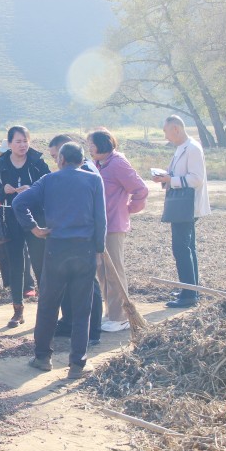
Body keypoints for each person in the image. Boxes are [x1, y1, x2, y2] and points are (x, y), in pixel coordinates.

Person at [12, 142, 106, 380]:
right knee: (82, 309)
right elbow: (100, 220)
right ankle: (77, 364)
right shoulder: (94, 181)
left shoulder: (48, 180)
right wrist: (99, 250)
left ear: (61, 159)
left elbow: (19, 202)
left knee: (48, 306)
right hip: (84, 250)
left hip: (56, 249)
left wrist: (33, 228)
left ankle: (43, 357)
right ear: (82, 160)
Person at [0, 126, 51, 328]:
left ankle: (45, 311)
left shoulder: (38, 163)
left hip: (35, 219)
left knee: (40, 263)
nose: (23, 145)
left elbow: (50, 187)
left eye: (25, 141)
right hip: (9, 220)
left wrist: (32, 190)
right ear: (9, 143)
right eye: (18, 141)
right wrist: (3, 191)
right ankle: (18, 311)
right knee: (15, 265)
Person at [87, 129, 148, 332]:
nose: (89, 148)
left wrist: (127, 210)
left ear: (103, 144)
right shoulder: (98, 164)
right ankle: (111, 312)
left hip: (114, 225)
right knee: (102, 271)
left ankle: (120, 316)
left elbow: (140, 189)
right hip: (100, 225)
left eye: (92, 144)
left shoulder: (118, 163)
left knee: (114, 270)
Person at [48, 134, 102, 345]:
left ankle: (93, 330)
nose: (55, 161)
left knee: (90, 286)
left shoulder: (88, 172)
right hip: (68, 237)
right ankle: (69, 322)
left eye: (56, 156)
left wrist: (99, 245)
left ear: (65, 153)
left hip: (85, 238)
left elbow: (98, 212)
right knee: (69, 282)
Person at [153, 115, 211, 308]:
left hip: (186, 206)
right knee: (188, 248)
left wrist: (170, 180)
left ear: (176, 129)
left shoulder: (192, 148)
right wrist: (165, 177)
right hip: (182, 205)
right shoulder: (182, 148)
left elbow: (196, 179)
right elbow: (178, 174)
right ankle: (190, 289)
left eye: (166, 131)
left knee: (181, 249)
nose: (165, 135)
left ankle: (189, 295)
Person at [0, 139, 35, 295]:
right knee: (2, 250)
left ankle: (27, 285)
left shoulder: (28, 165)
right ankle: (10, 283)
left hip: (17, 212)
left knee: (22, 251)